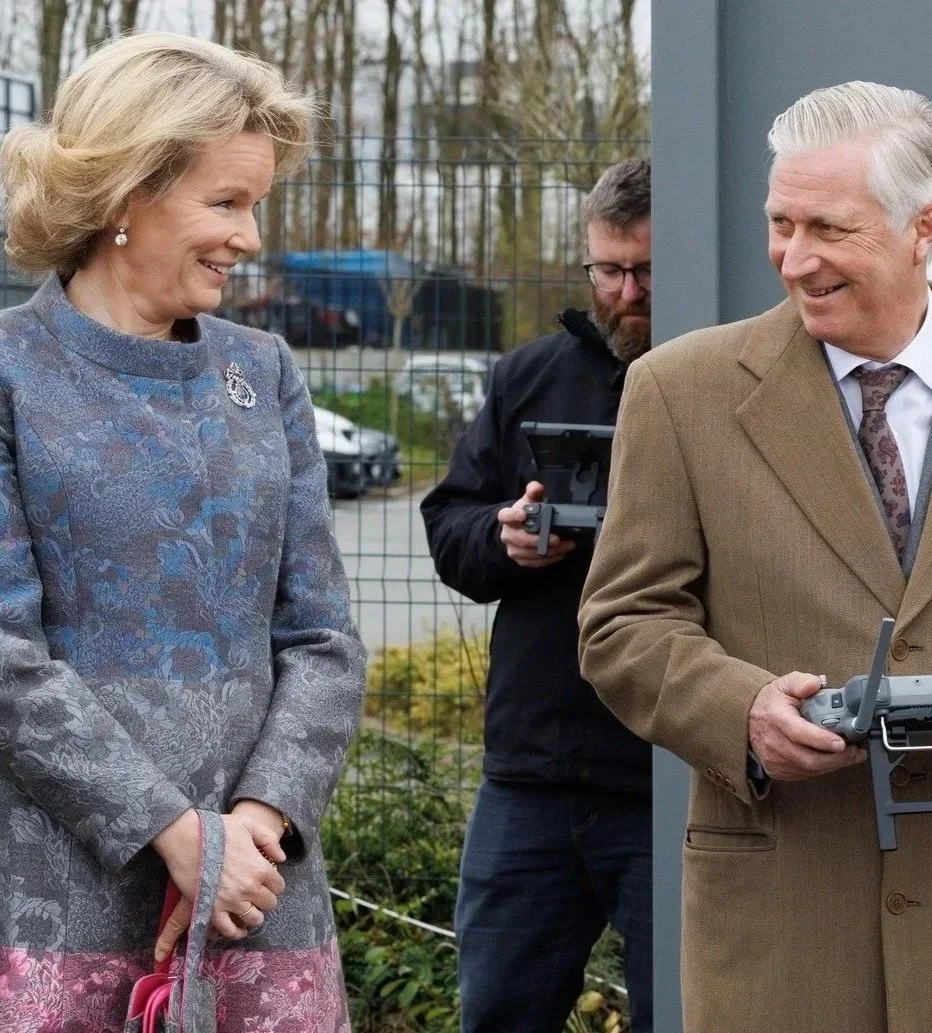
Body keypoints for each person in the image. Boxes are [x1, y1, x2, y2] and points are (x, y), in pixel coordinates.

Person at [579, 81, 932, 1033]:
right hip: (789, 923)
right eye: (779, 223)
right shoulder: (679, 391)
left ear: (923, 228)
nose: (794, 259)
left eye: (829, 227)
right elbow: (622, 624)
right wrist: (738, 709)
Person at [0, 32, 366, 1032]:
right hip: (55, 883)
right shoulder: (11, 372)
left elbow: (324, 640)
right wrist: (169, 830)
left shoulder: (267, 373)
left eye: (254, 203)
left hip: (259, 885)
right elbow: (4, 654)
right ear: (126, 194)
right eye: (226, 201)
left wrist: (254, 823)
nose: (249, 237)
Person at [421, 158, 653, 1032]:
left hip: (669, 769)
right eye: (606, 270)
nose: (624, 293)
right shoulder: (526, 377)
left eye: (645, 271)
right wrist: (504, 537)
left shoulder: (725, 377)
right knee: (499, 1011)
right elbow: (451, 524)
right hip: (532, 771)